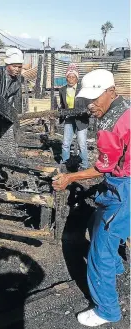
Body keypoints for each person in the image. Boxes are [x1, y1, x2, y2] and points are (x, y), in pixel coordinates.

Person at [53, 69, 130, 327]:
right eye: (88, 100)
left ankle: (107, 310)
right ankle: (117, 266)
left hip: (124, 186)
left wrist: (69, 178)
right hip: (122, 182)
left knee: (100, 251)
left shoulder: (111, 126)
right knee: (99, 220)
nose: (91, 105)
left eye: (96, 98)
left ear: (111, 92)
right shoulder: (126, 110)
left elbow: (103, 167)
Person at [59, 63, 89, 169]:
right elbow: (62, 105)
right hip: (69, 118)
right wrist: (59, 114)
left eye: (73, 77)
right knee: (66, 143)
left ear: (77, 78)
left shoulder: (83, 89)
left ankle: (84, 165)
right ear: (66, 77)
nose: (71, 79)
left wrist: (86, 111)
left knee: (82, 143)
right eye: (69, 77)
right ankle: (65, 162)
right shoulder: (62, 90)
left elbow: (88, 103)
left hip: (81, 119)